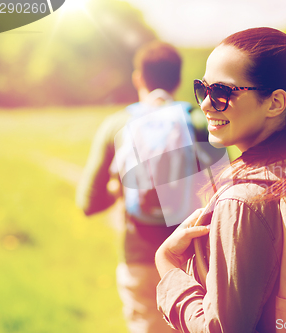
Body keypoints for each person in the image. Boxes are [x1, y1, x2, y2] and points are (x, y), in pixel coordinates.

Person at [154, 27, 286, 332]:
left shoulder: (243, 202)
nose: (205, 105)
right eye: (202, 89)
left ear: (275, 103)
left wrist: (167, 265)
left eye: (221, 93)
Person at [76, 40, 194, 333]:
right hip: (193, 261)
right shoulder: (201, 122)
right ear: (178, 80)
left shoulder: (117, 125)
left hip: (139, 257)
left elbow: (88, 203)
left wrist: (119, 190)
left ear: (138, 78)